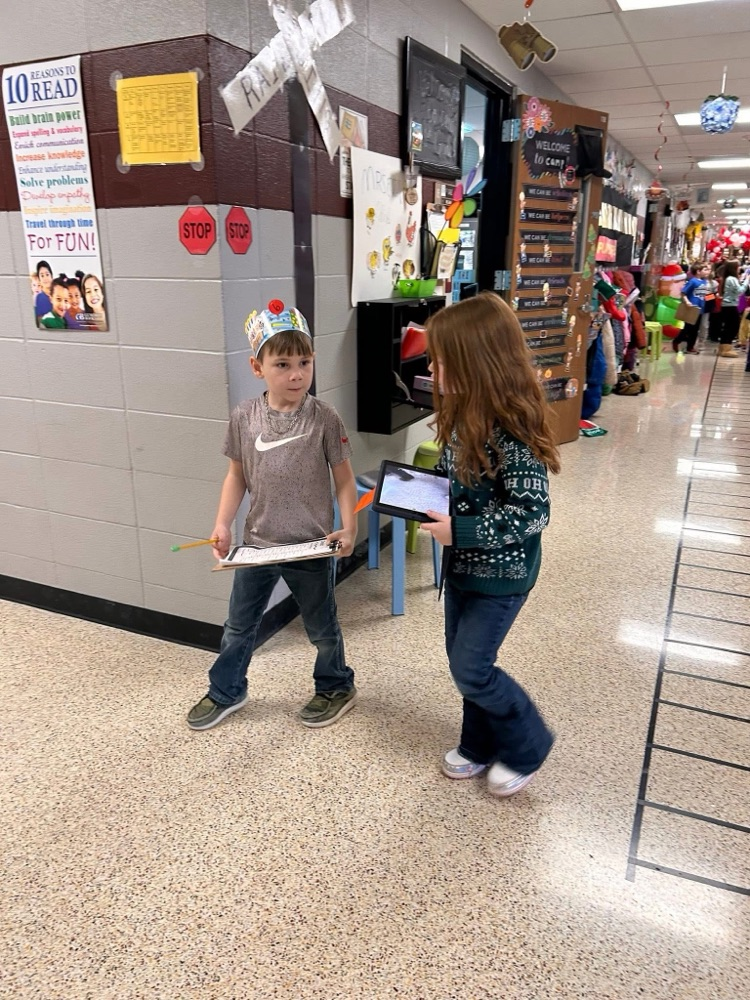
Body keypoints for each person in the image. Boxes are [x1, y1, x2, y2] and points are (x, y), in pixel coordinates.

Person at [187, 299, 358, 732]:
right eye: (282, 364)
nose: (296, 374)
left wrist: (349, 526)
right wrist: (222, 523)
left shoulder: (324, 418)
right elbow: (236, 476)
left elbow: (343, 480)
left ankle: (336, 686)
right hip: (257, 546)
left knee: (321, 628)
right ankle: (227, 690)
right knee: (238, 626)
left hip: (311, 547)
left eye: (304, 362)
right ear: (257, 366)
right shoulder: (244, 417)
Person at [420, 292, 559, 798]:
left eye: (439, 359)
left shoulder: (513, 440)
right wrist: (415, 493)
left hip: (502, 579)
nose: (430, 368)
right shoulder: (463, 419)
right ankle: (477, 745)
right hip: (462, 572)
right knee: (463, 665)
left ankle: (529, 746)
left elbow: (532, 513)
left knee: (472, 668)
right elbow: (450, 478)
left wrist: (461, 531)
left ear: (475, 363)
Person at [716, 260, 750, 358]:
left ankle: (724, 347)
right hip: (729, 306)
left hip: (729, 305)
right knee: (732, 327)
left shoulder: (729, 278)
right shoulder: (731, 279)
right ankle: (726, 348)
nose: (739, 268)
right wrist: (747, 281)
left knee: (729, 327)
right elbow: (740, 291)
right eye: (738, 266)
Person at [674, 263, 709, 354]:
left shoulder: (704, 282)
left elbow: (705, 295)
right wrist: (687, 302)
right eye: (705, 270)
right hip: (691, 309)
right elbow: (683, 293)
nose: (707, 272)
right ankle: (677, 340)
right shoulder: (693, 281)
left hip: (700, 309)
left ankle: (690, 347)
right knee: (688, 328)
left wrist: (713, 297)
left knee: (695, 329)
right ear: (698, 271)